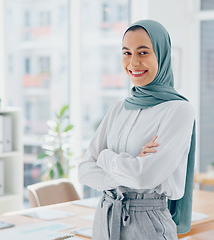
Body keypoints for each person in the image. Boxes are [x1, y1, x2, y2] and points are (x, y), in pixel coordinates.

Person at [78, 20, 196, 240]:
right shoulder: (118, 109)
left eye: (143, 52)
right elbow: (84, 170)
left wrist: (105, 157)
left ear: (161, 55)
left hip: (148, 221)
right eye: (126, 52)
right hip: (106, 215)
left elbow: (144, 177)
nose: (133, 62)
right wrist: (128, 167)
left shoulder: (178, 110)